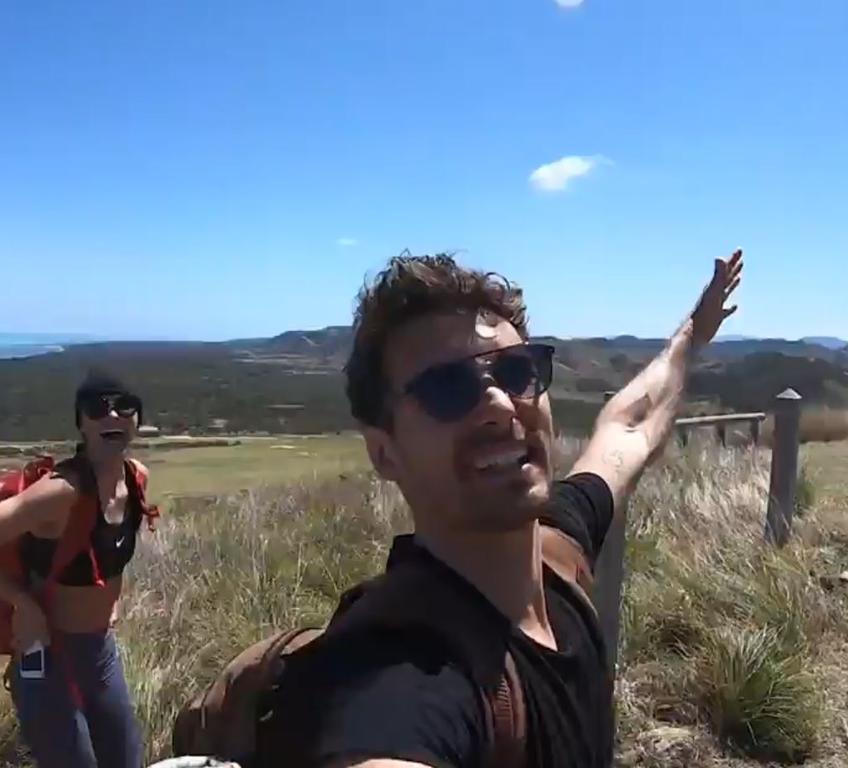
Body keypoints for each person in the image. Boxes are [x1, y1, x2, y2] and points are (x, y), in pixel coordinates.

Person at [253, 249, 743, 768]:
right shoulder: (401, 672)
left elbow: (629, 426)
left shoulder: (559, 553)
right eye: (447, 388)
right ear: (384, 452)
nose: (500, 405)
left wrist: (695, 331)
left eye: (516, 371)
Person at [0, 370, 155, 768]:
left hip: (100, 652)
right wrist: (25, 605)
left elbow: (106, 556)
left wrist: (110, 605)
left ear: (138, 419)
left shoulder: (136, 477)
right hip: (47, 657)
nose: (112, 417)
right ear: (82, 424)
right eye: (97, 409)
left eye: (125, 407)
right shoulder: (60, 493)